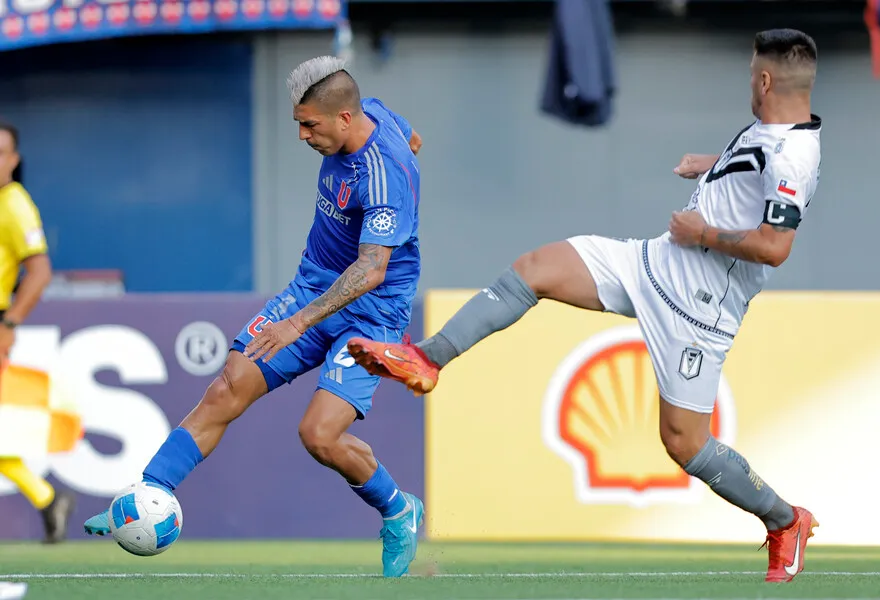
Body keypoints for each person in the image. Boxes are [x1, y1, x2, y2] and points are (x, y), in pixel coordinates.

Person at [347, 29, 821, 583]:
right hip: (655, 262)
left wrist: (702, 232)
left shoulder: (794, 156)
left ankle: (785, 520)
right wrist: (713, 165)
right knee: (536, 269)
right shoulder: (775, 131)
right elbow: (758, 163)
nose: (748, 84)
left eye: (749, 76)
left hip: (698, 308)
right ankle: (428, 358)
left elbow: (775, 247)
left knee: (685, 444)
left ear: (764, 80)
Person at [83, 57, 426, 578]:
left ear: (344, 118)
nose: (302, 136)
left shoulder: (384, 179)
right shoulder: (373, 111)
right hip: (313, 285)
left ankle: (398, 510)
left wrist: (298, 323)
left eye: (309, 125)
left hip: (373, 312)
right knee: (228, 386)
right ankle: (144, 497)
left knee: (319, 436)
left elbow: (372, 268)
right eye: (298, 123)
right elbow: (413, 138)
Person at [0, 121, 75, 545]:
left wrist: (9, 324)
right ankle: (48, 500)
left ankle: (48, 500)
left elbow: (40, 271)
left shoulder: (15, 206)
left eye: (0, 152)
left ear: (14, 160)